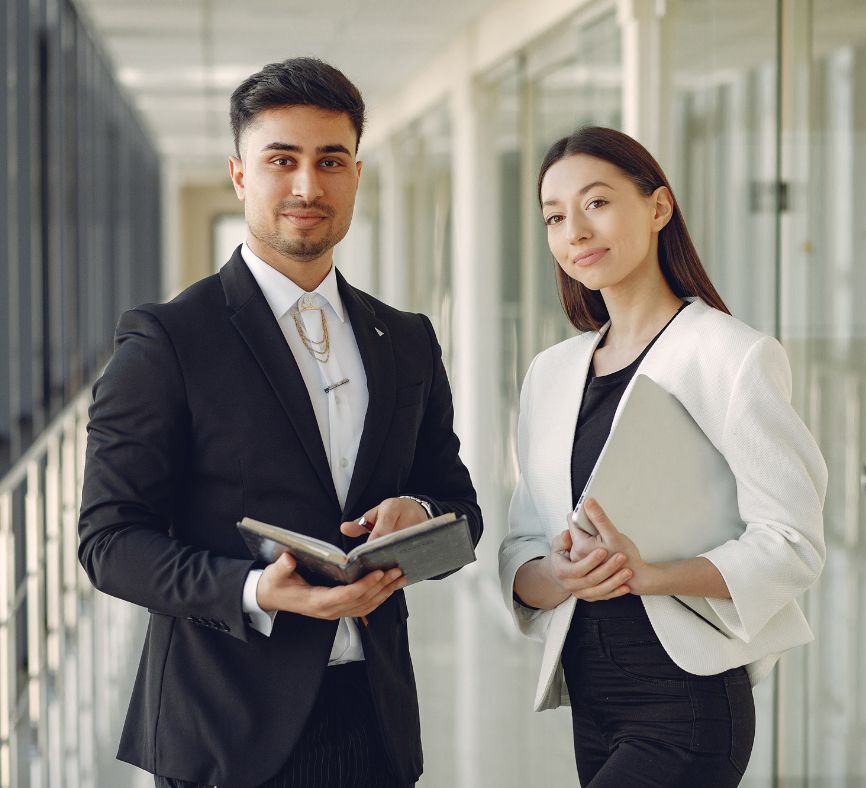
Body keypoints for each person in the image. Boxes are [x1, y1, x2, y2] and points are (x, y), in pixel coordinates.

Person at [78, 56, 482, 788]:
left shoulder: (408, 339)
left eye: (330, 160)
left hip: (375, 723)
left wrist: (418, 513)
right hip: (224, 732)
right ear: (240, 174)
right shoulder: (167, 339)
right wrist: (253, 590)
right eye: (281, 160)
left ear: (356, 173)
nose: (307, 185)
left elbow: (460, 510)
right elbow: (109, 542)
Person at [498, 126, 826, 788]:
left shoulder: (731, 356)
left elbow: (793, 543)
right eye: (555, 217)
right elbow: (519, 550)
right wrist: (560, 573)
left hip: (686, 701)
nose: (575, 232)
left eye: (596, 203)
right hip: (590, 699)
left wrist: (652, 574)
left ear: (657, 208)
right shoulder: (551, 372)